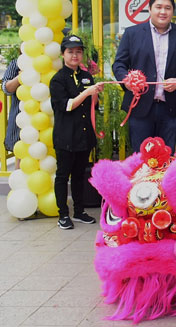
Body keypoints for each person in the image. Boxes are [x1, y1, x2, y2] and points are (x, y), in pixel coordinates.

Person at [112, 0, 176, 152]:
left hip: (171, 107)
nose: (163, 12)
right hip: (140, 106)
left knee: (167, 156)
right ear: (150, 9)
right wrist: (128, 82)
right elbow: (118, 65)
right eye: (158, 7)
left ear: (173, 11)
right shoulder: (132, 34)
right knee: (141, 157)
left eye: (167, 8)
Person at [49, 34, 104, 230]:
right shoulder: (58, 80)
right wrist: (87, 92)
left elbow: (92, 105)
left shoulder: (87, 76)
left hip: (84, 135)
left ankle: (79, 211)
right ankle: (63, 214)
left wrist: (95, 93)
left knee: (80, 174)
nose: (75, 55)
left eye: (78, 52)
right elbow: (67, 105)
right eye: (70, 52)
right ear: (63, 54)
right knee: (63, 175)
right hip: (66, 136)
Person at [1, 58, 20, 157]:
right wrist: (20, 77)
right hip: (21, 120)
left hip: (45, 121)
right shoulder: (16, 63)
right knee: (21, 156)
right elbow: (6, 88)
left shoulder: (50, 62)